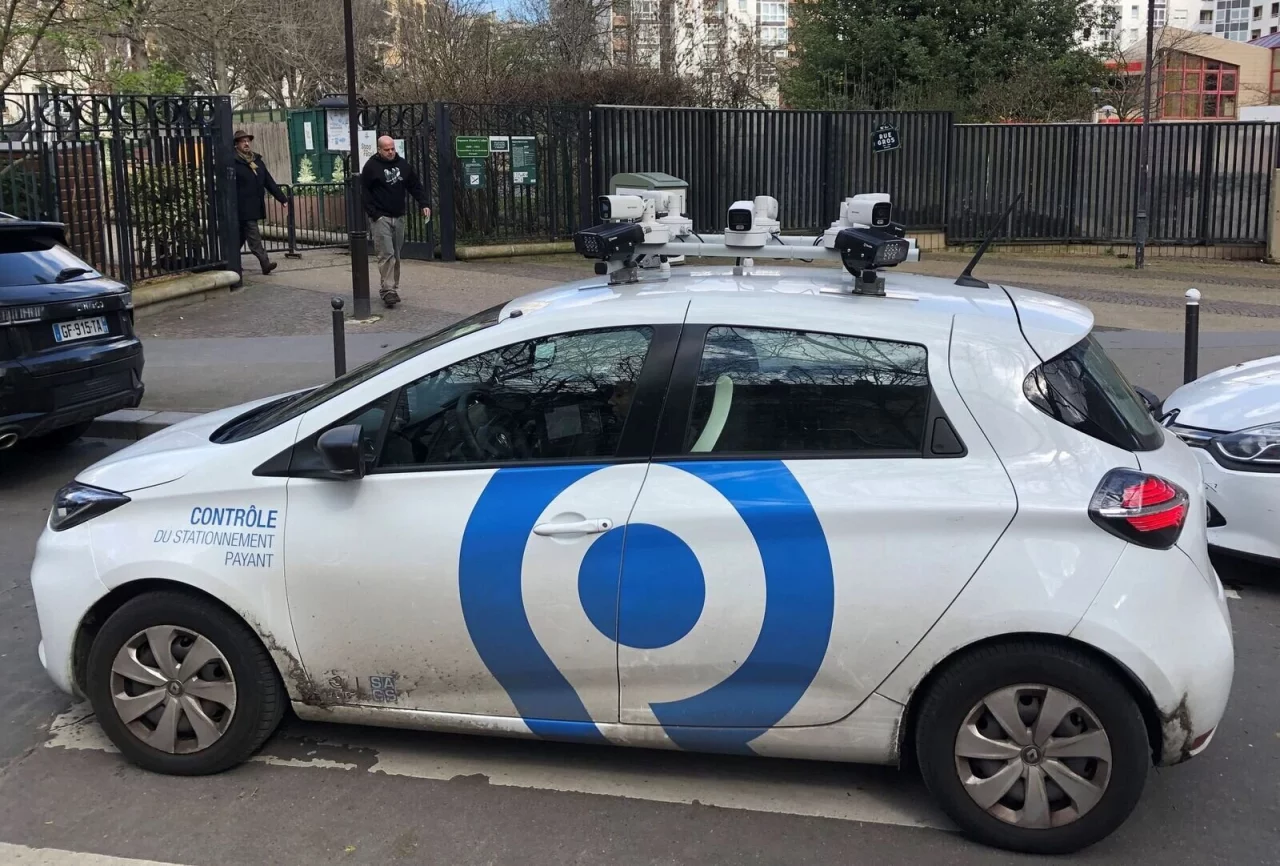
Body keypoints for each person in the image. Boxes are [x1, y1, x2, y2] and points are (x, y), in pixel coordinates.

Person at [361, 136, 431, 308]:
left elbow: (414, 185)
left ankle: (393, 287)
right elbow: (364, 193)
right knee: (386, 253)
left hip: (399, 216)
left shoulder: (402, 165)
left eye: (392, 148)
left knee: (396, 254)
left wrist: (424, 203)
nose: (391, 152)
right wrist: (375, 214)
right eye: (387, 149)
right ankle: (388, 290)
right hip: (381, 217)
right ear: (379, 150)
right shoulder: (371, 167)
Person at [232, 130, 288, 275]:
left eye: (248, 141)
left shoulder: (256, 160)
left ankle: (230, 262)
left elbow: (268, 181)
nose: (246, 143)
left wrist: (282, 198)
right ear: (236, 144)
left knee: (240, 237)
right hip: (241, 207)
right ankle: (265, 262)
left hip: (255, 205)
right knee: (253, 235)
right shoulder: (233, 161)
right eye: (243, 141)